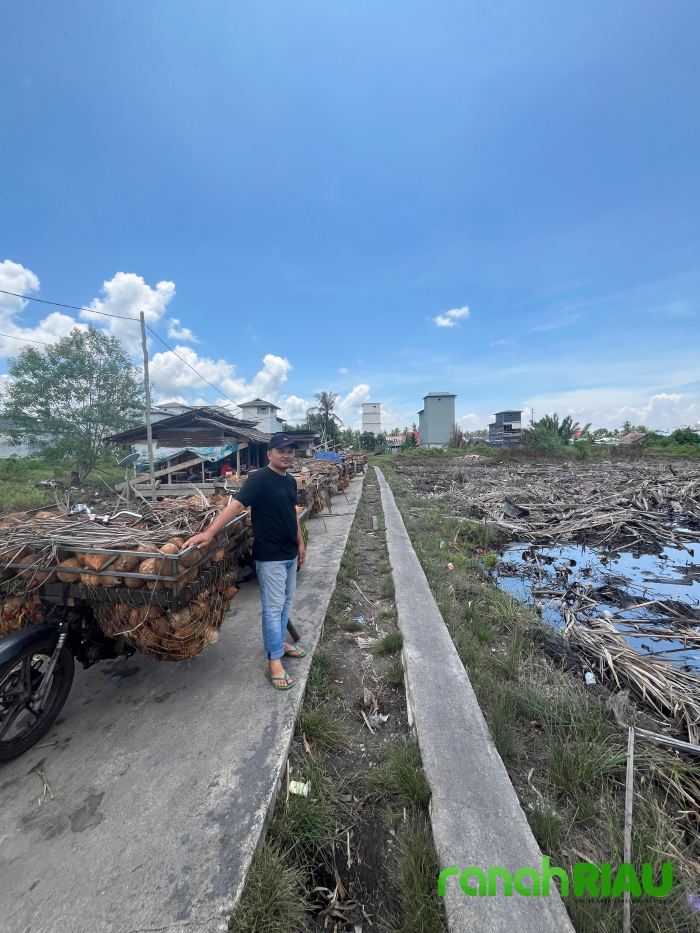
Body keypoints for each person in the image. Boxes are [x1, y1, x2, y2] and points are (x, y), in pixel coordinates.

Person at [183, 433, 306, 690]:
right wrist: (209, 533)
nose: (286, 454)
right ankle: (273, 661)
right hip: (270, 556)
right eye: (281, 450)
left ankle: (279, 643)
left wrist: (301, 543)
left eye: (291, 451)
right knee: (273, 608)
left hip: (290, 554)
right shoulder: (259, 479)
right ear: (269, 454)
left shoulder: (291, 481)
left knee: (285, 603)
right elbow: (235, 506)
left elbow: (291, 514)